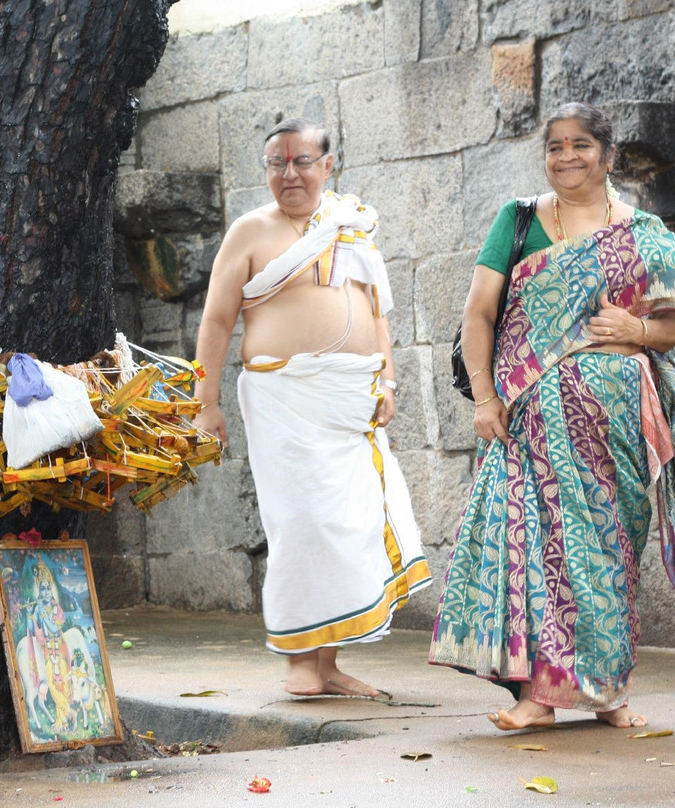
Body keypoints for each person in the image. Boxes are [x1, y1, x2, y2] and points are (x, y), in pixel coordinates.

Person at [429, 102, 675, 731]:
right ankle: (541, 696)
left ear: (608, 154)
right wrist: (485, 398)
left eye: (581, 145)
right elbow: (479, 312)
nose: (567, 157)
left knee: (612, 549)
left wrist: (638, 326)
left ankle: (610, 691)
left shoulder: (643, 233)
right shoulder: (518, 221)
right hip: (529, 415)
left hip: (619, 420)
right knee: (543, 550)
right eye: (556, 146)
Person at [193, 117, 431, 697]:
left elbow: (376, 315)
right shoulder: (250, 232)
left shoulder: (350, 229)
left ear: (329, 166)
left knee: (352, 525)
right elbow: (217, 319)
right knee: (302, 523)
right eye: (278, 162)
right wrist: (206, 404)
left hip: (353, 402)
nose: (290, 173)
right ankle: (300, 660)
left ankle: (328, 665)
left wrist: (389, 383)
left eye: (302, 161)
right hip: (285, 400)